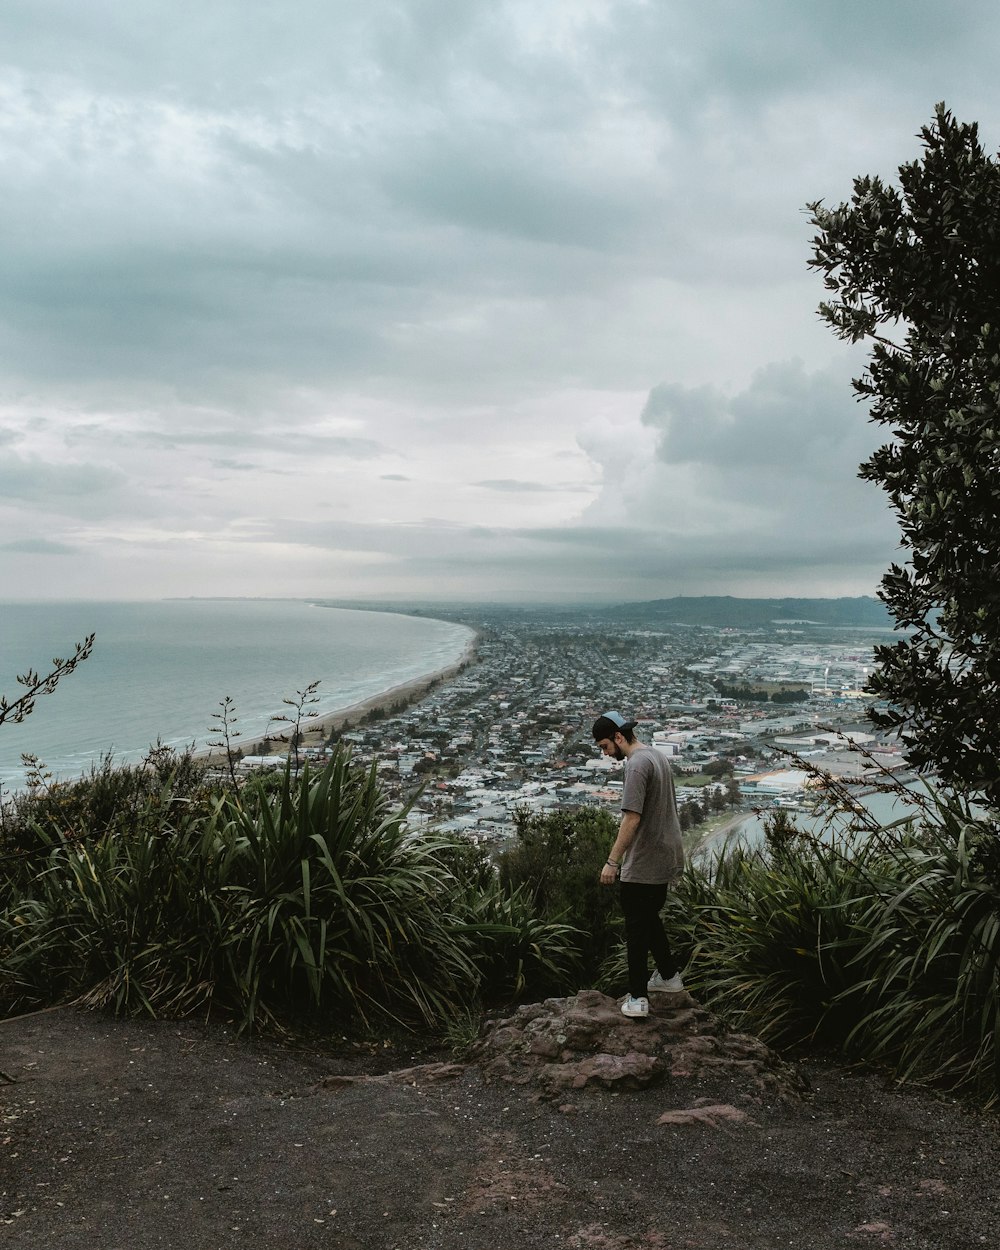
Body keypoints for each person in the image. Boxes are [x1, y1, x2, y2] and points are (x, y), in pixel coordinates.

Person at [592, 710, 685, 1018]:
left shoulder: (637, 765)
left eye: (605, 746)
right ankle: (669, 978)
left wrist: (612, 861)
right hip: (666, 854)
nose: (606, 754)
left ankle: (638, 998)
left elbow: (631, 817)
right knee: (648, 917)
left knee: (635, 928)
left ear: (619, 737)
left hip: (644, 858)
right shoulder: (657, 756)